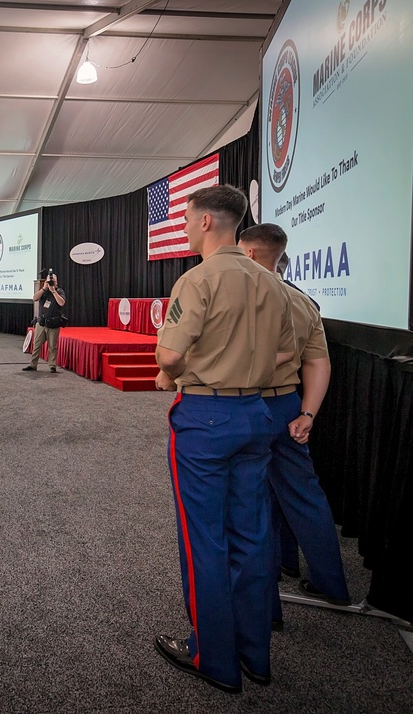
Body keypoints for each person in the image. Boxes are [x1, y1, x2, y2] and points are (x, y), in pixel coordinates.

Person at [153, 185, 294, 694]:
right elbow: (284, 353)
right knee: (253, 538)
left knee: (203, 540)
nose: (187, 228)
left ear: (208, 222)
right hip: (256, 412)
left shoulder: (197, 280)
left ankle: (212, 656)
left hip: (206, 418)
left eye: (189, 221)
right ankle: (255, 654)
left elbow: (168, 357)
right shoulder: (272, 283)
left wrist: (189, 369)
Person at [238, 224, 350, 618]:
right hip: (288, 405)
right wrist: (307, 414)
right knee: (302, 493)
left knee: (249, 496)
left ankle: (265, 591)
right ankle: (329, 581)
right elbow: (318, 362)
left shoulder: (239, 297)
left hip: (245, 405)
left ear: (249, 255)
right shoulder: (304, 303)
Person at [23, 268, 66, 373]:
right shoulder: (44, 291)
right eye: (49, 281)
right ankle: (33, 365)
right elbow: (34, 298)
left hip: (53, 323)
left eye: (53, 281)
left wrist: (53, 291)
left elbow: (61, 303)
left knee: (52, 346)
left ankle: (52, 365)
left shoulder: (59, 291)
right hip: (41, 323)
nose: (51, 283)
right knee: (36, 344)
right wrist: (44, 288)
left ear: (57, 282)